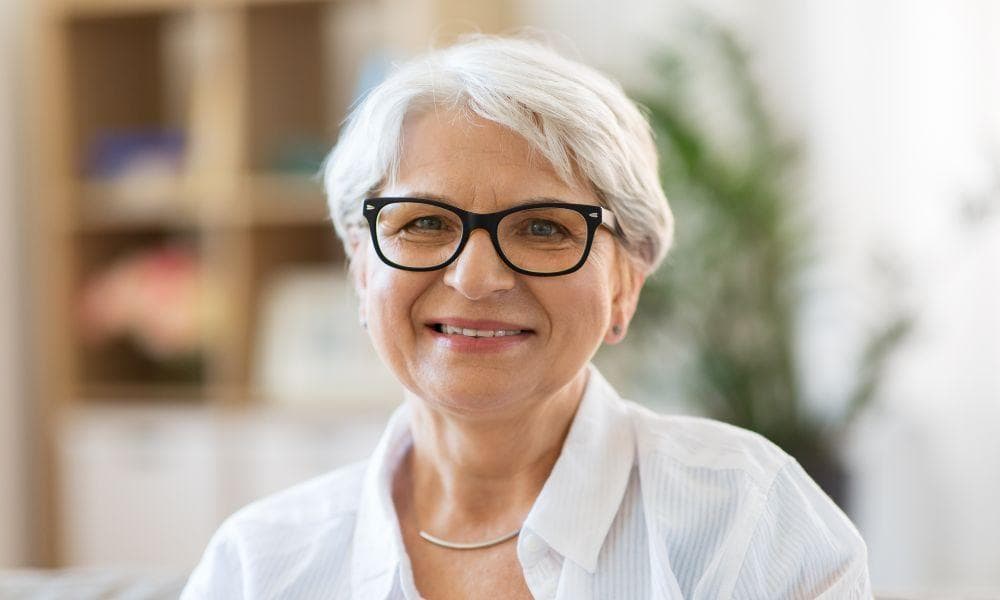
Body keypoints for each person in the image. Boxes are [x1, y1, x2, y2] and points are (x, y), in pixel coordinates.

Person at [182, 35, 872, 599]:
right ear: (364, 272)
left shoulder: (746, 523)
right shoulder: (258, 567)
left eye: (543, 228)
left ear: (626, 286)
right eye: (423, 221)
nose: (476, 278)